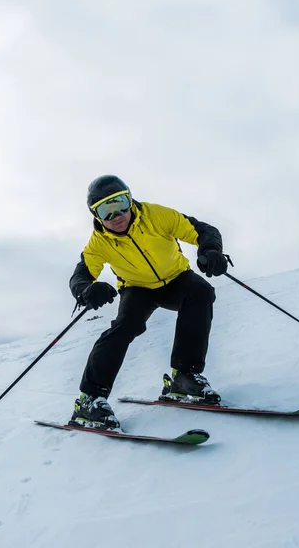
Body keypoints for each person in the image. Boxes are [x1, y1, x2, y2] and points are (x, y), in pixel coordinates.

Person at [68, 175, 229, 429]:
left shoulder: (156, 215)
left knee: (201, 292)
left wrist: (211, 251)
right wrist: (86, 290)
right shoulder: (98, 244)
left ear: (130, 200)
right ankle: (90, 400)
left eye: (120, 204)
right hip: (137, 288)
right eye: (106, 211)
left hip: (176, 278)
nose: (117, 215)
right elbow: (81, 275)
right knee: (124, 328)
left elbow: (202, 230)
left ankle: (185, 375)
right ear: (96, 216)